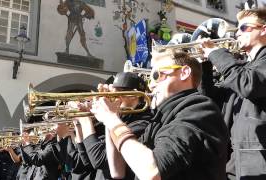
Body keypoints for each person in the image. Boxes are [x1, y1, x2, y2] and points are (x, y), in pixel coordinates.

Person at [89, 51, 229, 180]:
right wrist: (112, 117)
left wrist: (111, 119)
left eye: (157, 76)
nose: (152, 85)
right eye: (149, 80)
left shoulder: (199, 109)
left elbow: (152, 171)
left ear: (184, 72)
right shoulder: (161, 116)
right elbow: (117, 172)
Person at [199, 8, 266, 180]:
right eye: (237, 29)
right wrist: (205, 66)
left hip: (259, 159)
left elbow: (248, 85)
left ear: (263, 29)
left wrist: (216, 53)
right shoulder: (243, 67)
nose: (237, 33)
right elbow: (211, 99)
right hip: (237, 157)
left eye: (244, 28)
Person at [72, 72, 153, 179]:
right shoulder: (120, 116)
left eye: (116, 93)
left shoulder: (142, 122)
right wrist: (79, 124)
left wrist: (85, 120)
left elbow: (99, 159)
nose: (111, 98)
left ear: (134, 95)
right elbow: (87, 161)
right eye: (111, 93)